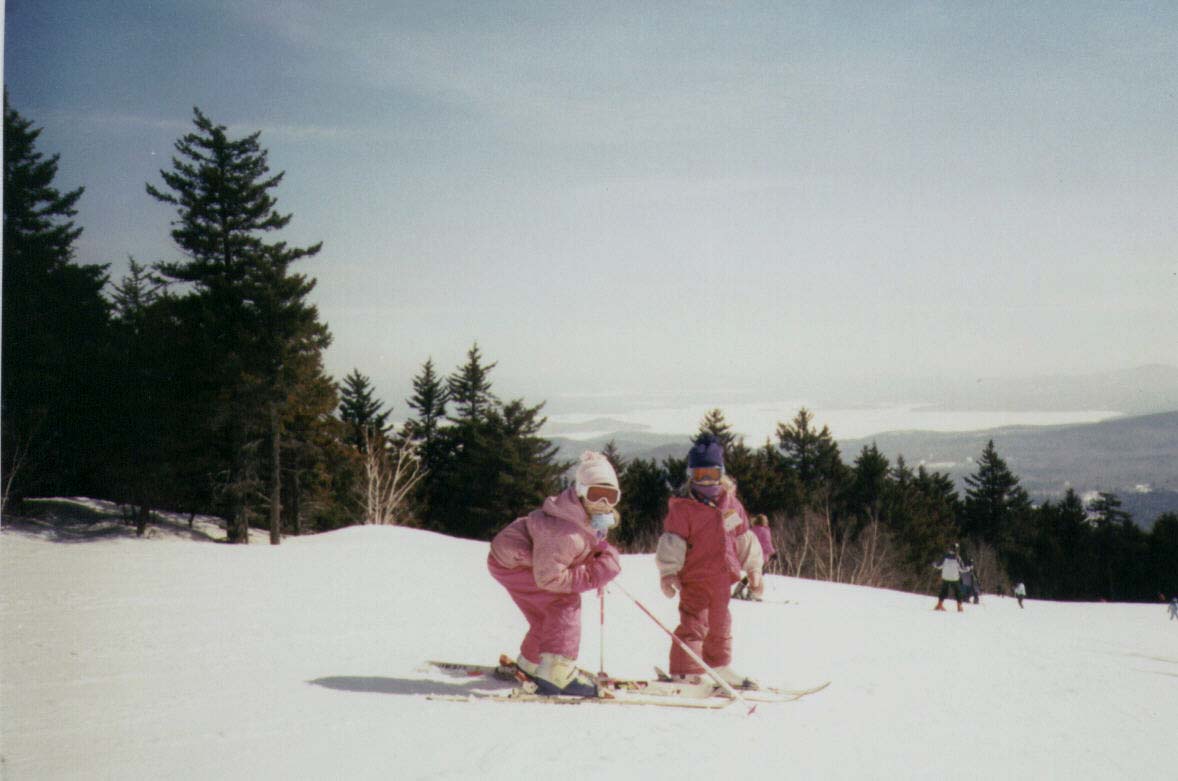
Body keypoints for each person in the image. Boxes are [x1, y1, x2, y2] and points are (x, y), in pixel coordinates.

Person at [487, 451, 623, 697]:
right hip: (514, 563)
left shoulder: (584, 517)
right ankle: (556, 673)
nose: (603, 502)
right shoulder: (565, 532)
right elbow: (551, 578)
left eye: (610, 496)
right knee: (563, 602)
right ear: (581, 491)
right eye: (595, 494)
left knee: (547, 615)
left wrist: (598, 555)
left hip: (516, 560)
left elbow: (581, 548)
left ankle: (532, 663)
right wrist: (596, 574)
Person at [655, 434, 764, 689]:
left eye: (712, 474)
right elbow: (672, 543)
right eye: (700, 474)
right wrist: (668, 573)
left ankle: (718, 666)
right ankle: (686, 670)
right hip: (695, 577)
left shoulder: (731, 505)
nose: (706, 480)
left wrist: (754, 570)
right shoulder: (684, 508)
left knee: (720, 624)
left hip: (723, 578)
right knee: (695, 623)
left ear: (722, 474)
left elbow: (743, 538)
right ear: (690, 476)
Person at [733, 514, 776, 600]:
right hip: (761, 556)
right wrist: (773, 553)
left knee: (750, 575)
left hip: (750, 554)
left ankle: (739, 590)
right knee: (757, 575)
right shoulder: (765, 531)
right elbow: (766, 543)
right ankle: (751, 593)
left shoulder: (751, 530)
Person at [932, 544, 967, 612]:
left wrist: (934, 564)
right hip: (954, 578)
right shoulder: (958, 558)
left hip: (945, 577)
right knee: (958, 592)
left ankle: (939, 605)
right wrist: (969, 568)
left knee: (943, 591)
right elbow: (962, 569)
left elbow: (939, 566)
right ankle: (959, 606)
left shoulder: (945, 556)